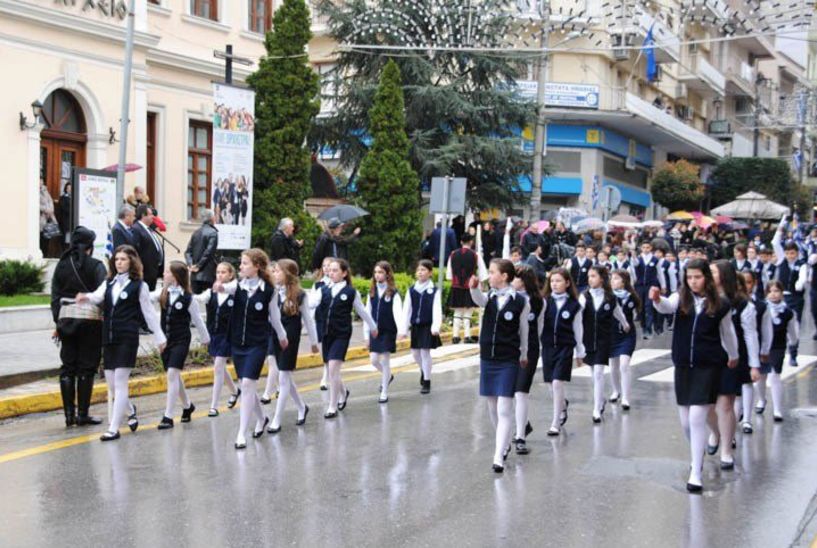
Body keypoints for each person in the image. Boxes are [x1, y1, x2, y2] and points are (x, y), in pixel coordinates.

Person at [651, 258, 739, 493]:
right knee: (685, 422)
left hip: (708, 365)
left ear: (707, 279)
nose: (693, 282)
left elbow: (728, 333)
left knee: (697, 417)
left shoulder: (720, 304)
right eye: (689, 277)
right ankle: (696, 454)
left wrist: (733, 355)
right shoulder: (682, 297)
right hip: (683, 365)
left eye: (697, 277)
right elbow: (667, 306)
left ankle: (696, 472)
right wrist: (657, 299)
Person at [76, 245, 167, 441]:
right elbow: (97, 296)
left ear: (132, 262)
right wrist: (85, 298)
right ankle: (130, 409)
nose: (119, 262)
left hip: (127, 337)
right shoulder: (109, 282)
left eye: (123, 259)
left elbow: (149, 314)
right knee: (111, 384)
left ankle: (114, 428)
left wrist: (160, 337)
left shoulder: (139, 286)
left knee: (120, 381)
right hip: (109, 337)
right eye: (117, 259)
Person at [213, 248, 288, 449]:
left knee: (247, 385)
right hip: (238, 343)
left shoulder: (268, 291)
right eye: (241, 263)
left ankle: (241, 433)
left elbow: (275, 317)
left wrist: (282, 336)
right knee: (248, 385)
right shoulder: (237, 286)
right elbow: (224, 289)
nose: (241, 266)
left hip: (257, 344)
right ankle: (261, 418)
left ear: (257, 266)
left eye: (245, 263)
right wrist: (219, 287)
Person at [468, 259, 529, 473]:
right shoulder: (491, 296)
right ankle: (503, 442)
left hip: (508, 358)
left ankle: (498, 456)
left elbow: (525, 330)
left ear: (504, 276)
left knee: (504, 407)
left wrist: (524, 353)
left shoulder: (520, 301)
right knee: (492, 406)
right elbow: (478, 300)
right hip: (488, 357)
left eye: (492, 272)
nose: (489, 275)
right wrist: (474, 287)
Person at [50, 226, 107, 427]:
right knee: (86, 367)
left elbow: (55, 297)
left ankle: (68, 416)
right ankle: (83, 414)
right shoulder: (97, 266)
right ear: (90, 247)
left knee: (68, 368)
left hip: (66, 320)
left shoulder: (62, 266)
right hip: (90, 321)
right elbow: (103, 294)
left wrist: (58, 322)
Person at [706, 261, 759, 470]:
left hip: (731, 358)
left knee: (726, 405)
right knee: (706, 405)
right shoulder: (704, 298)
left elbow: (750, 335)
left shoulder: (743, 304)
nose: (708, 275)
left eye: (712, 272)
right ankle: (715, 432)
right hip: (707, 357)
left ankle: (726, 449)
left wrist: (754, 365)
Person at [312, 258, 377, 417]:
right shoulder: (323, 289)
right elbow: (310, 304)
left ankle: (332, 406)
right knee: (333, 370)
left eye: (335, 270)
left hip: (342, 334)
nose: (331, 273)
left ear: (344, 273)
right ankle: (344, 392)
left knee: (333, 368)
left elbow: (362, 311)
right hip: (327, 334)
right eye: (330, 270)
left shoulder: (350, 292)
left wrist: (373, 327)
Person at [154, 261, 210, 430]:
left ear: (175, 276)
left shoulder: (188, 298)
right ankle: (187, 406)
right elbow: (146, 297)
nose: (164, 275)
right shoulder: (163, 293)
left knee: (172, 374)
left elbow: (198, 321)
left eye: (167, 272)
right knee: (175, 376)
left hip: (181, 341)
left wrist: (206, 339)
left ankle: (168, 416)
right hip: (166, 342)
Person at [267, 259, 319, 433]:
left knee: (283, 378)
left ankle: (276, 419)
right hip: (275, 337)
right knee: (286, 377)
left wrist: (313, 342)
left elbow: (308, 320)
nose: (274, 274)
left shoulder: (300, 295)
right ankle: (302, 407)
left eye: (277, 271)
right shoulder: (272, 292)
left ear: (287, 274)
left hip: (291, 339)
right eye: (273, 271)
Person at [580, 265, 630, 423]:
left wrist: (625, 324)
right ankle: (600, 399)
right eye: (589, 276)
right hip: (588, 339)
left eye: (593, 276)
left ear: (602, 278)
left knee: (599, 372)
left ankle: (596, 409)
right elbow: (577, 314)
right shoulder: (584, 296)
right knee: (593, 373)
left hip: (603, 339)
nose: (590, 279)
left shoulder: (610, 297)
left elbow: (618, 312)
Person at [540, 267, 584, 437]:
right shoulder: (545, 302)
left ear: (567, 283)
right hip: (548, 346)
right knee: (550, 385)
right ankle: (563, 405)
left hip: (565, 347)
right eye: (552, 281)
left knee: (558, 383)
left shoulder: (574, 305)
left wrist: (580, 352)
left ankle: (555, 422)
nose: (554, 284)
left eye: (558, 281)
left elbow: (578, 328)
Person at [195, 262, 240, 417]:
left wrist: (222, 287)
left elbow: (232, 288)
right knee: (219, 365)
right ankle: (235, 391)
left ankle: (213, 406)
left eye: (223, 272)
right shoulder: (211, 292)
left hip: (228, 335)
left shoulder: (235, 290)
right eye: (218, 272)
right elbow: (199, 299)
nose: (220, 275)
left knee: (218, 366)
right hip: (214, 333)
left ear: (230, 275)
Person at [510, 264, 543, 455]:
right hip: (508, 349)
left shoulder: (538, 302)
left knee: (521, 392)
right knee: (510, 393)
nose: (512, 281)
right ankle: (525, 423)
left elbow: (539, 327)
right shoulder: (507, 297)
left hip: (528, 350)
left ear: (523, 281)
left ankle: (520, 436)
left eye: (515, 278)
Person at [755, 280, 799, 422]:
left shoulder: (787, 312)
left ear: (782, 293)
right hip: (761, 346)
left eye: (776, 291)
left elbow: (793, 331)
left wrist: (793, 342)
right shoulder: (760, 308)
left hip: (778, 346)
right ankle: (762, 400)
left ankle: (777, 409)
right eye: (770, 291)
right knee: (761, 377)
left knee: (775, 375)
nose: (773, 295)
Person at [402, 259, 443, 394]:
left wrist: (436, 327)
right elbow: (407, 310)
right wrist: (403, 328)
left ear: (430, 273)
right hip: (416, 325)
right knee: (415, 353)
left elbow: (437, 309)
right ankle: (424, 370)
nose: (420, 273)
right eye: (418, 270)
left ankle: (427, 381)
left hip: (428, 326)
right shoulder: (412, 290)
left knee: (425, 353)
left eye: (424, 270)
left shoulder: (434, 291)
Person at [365, 261, 403, 404]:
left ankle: (384, 391)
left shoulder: (393, 293)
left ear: (387, 274)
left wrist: (401, 330)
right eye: (375, 272)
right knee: (374, 360)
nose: (377, 275)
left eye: (380, 272)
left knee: (385, 361)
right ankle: (388, 376)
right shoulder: (372, 293)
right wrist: (366, 334)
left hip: (388, 331)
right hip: (374, 331)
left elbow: (398, 313)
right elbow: (367, 314)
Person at [771, 215, 807, 366]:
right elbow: (774, 242)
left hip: (796, 298)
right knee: (776, 324)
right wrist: (782, 223)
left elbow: (804, 277)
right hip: (782, 297)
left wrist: (800, 283)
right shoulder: (781, 261)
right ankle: (774, 351)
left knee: (794, 326)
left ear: (797, 253)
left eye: (792, 253)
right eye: (787, 253)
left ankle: (793, 354)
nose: (789, 256)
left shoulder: (802, 263)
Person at [609, 269, 639, 410]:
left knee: (624, 364)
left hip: (627, 335)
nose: (612, 281)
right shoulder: (608, 297)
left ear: (624, 282)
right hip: (612, 334)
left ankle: (626, 397)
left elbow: (634, 314)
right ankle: (616, 391)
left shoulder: (632, 297)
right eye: (612, 278)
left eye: (616, 279)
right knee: (613, 365)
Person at [446, 234, 484, 344]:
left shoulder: (453, 254)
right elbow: (482, 273)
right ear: (471, 242)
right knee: (468, 311)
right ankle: (467, 335)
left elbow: (449, 275)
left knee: (457, 311)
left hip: (456, 286)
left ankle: (455, 335)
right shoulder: (475, 255)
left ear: (461, 242)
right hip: (469, 286)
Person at [185, 209, 219, 294]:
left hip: (194, 275)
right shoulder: (213, 232)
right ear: (212, 218)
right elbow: (209, 252)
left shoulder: (196, 232)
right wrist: (198, 266)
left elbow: (187, 252)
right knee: (209, 302)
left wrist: (191, 265)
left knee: (194, 302)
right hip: (208, 274)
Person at [132, 205, 164, 291]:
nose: (153, 216)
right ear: (143, 215)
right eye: (150, 214)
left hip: (153, 271)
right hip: (145, 272)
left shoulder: (149, 229)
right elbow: (135, 251)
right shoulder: (136, 229)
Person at [634, 240, 660, 340]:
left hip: (651, 286)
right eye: (643, 247)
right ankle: (643, 326)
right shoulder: (638, 259)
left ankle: (649, 328)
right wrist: (633, 254)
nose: (645, 249)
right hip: (640, 286)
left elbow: (659, 273)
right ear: (641, 248)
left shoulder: (654, 259)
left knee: (649, 307)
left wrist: (663, 286)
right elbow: (635, 264)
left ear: (651, 248)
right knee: (640, 308)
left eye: (647, 247)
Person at [57, 182, 72, 251]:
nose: (69, 189)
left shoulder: (75, 197)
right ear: (65, 189)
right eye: (68, 188)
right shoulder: (63, 198)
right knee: (66, 240)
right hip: (65, 222)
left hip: (72, 221)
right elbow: (64, 208)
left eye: (70, 188)